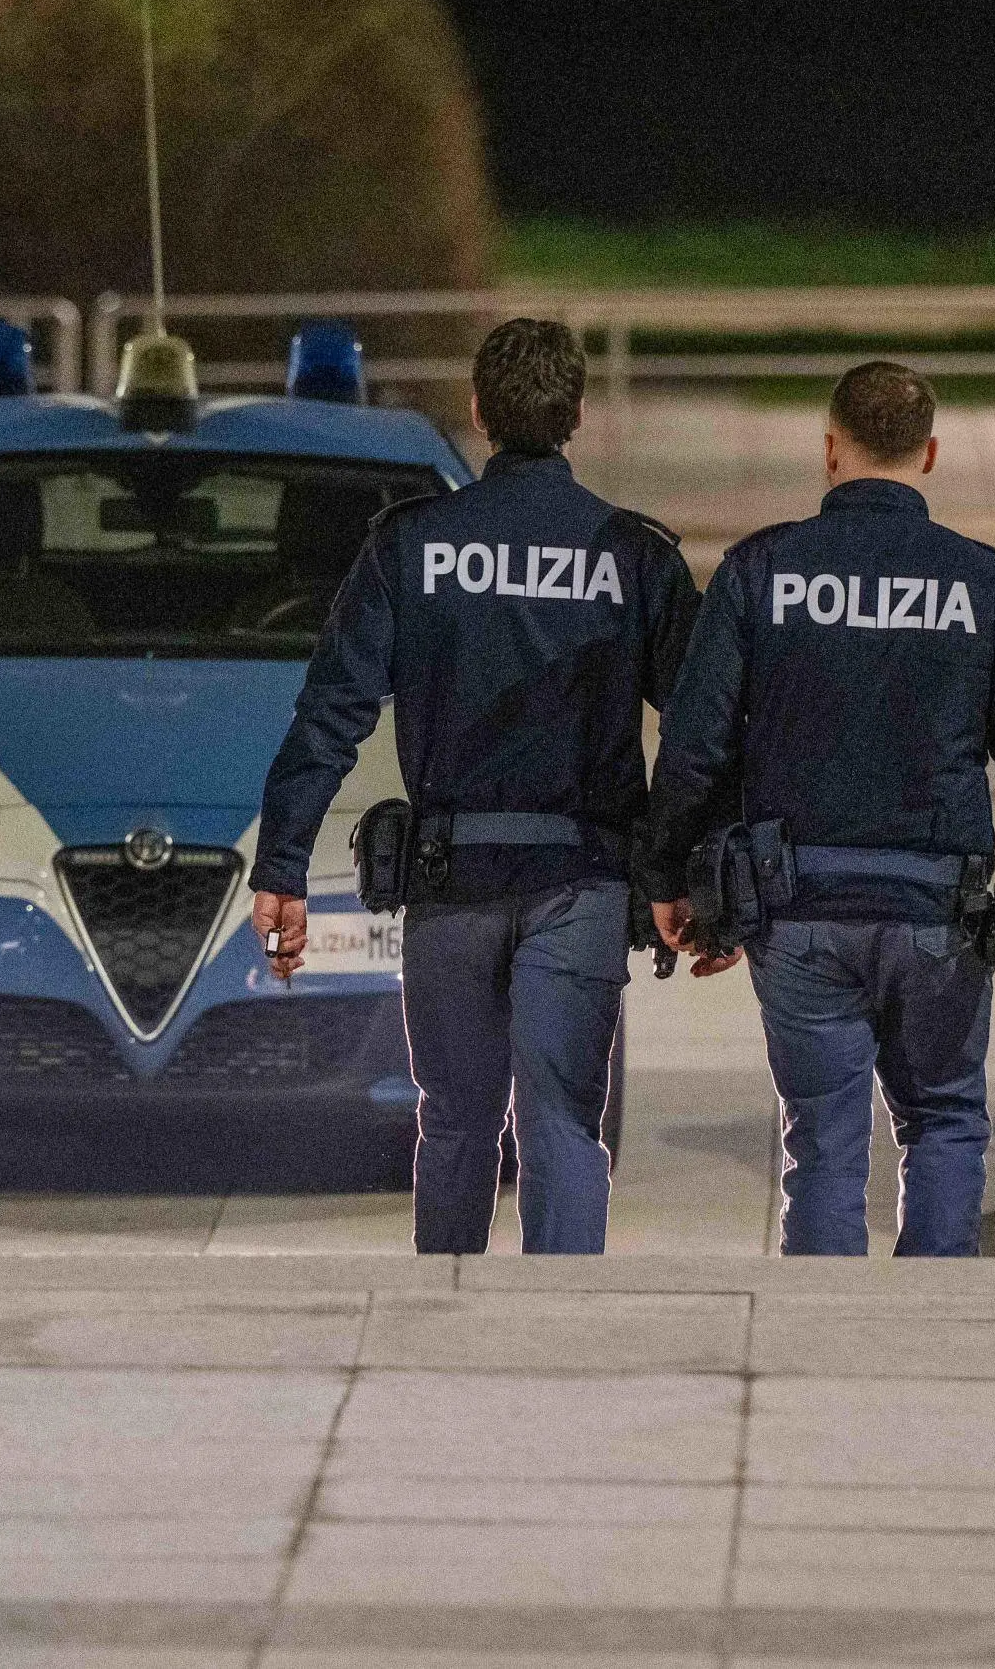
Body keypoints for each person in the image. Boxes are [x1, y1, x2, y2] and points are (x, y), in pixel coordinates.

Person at [249, 319, 698, 1254]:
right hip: (581, 883)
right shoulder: (635, 555)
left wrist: (282, 865)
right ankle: (554, 1339)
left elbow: (331, 712)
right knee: (562, 1126)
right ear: (576, 414)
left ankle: (440, 1334)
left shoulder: (410, 545)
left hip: (449, 885)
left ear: (479, 413)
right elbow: (704, 730)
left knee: (454, 1123)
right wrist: (682, 872)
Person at [638, 360, 995, 1258]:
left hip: (799, 907)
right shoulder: (988, 584)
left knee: (820, 1146)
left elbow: (695, 746)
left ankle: (823, 1348)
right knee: (945, 1122)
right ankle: (930, 1332)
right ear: (929, 454)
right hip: (940, 914)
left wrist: (666, 876)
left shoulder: (759, 571)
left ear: (829, 449)